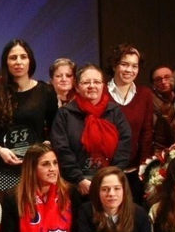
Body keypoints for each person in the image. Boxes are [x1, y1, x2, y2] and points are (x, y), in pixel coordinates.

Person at [0, 38, 57, 194]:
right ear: (6, 63)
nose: (18, 62)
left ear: (30, 61)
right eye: (13, 57)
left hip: (36, 165)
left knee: (35, 214)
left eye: (23, 57)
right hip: (3, 166)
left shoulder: (45, 92)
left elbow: (54, 127)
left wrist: (44, 147)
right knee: (7, 215)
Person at [51, 63, 133, 197]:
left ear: (103, 86)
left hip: (111, 186)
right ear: (77, 87)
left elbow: (125, 143)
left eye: (97, 82)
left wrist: (112, 176)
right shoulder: (65, 114)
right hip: (76, 186)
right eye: (86, 82)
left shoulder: (114, 111)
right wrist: (79, 179)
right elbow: (61, 148)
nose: (92, 86)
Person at [105, 43, 158, 184]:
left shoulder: (145, 94)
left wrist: (143, 168)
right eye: (124, 64)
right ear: (114, 65)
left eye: (134, 66)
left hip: (134, 171)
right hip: (106, 171)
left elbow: (146, 134)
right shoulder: (101, 93)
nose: (129, 70)